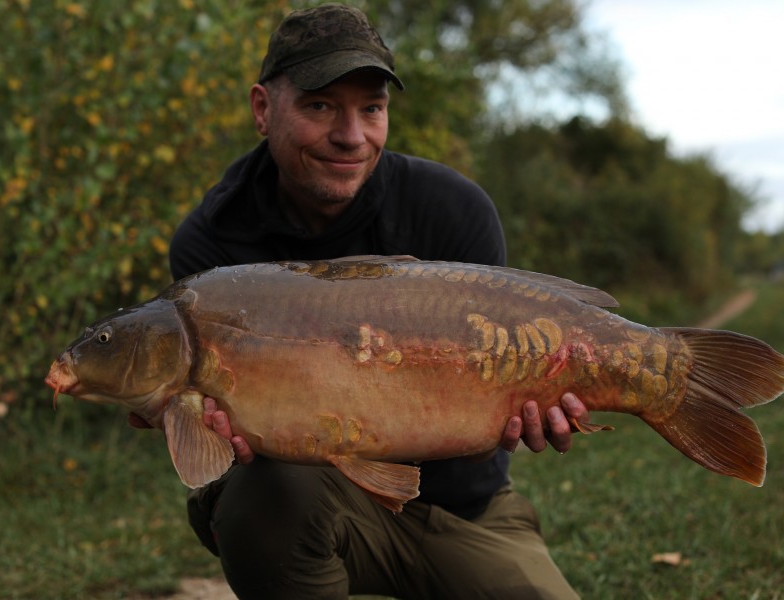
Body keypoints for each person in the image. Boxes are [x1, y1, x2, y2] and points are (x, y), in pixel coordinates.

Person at [163, 4, 589, 598]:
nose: (351, 135)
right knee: (265, 499)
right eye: (320, 106)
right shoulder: (213, 241)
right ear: (263, 109)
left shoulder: (454, 209)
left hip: (464, 509)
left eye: (372, 108)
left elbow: (500, 383)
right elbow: (212, 435)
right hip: (309, 504)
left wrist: (537, 401)